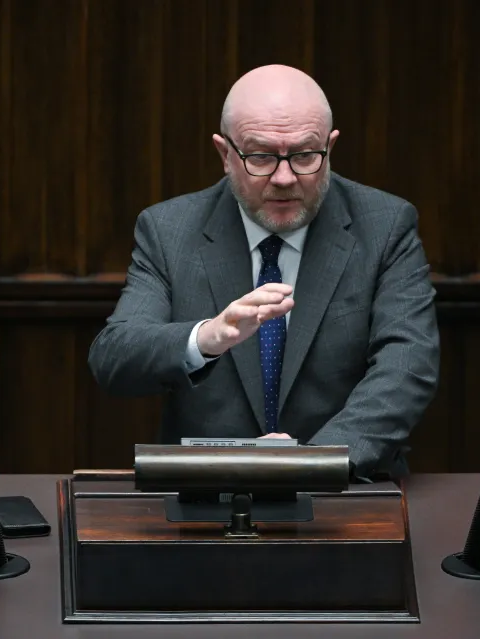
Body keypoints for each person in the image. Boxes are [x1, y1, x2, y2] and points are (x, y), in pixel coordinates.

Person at [88, 64, 440, 481]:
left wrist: (313, 464)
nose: (284, 177)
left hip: (343, 488)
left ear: (330, 147)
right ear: (225, 154)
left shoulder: (385, 226)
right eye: (260, 157)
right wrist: (207, 338)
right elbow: (115, 357)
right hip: (206, 491)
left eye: (305, 155)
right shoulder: (169, 230)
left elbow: (407, 365)